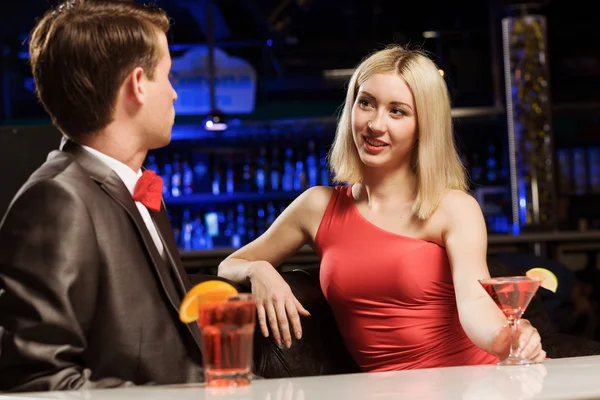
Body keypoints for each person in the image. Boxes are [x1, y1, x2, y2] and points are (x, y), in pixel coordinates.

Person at [218, 46, 546, 371]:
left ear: (423, 127)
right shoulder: (317, 206)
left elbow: (475, 300)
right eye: (367, 103)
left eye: (397, 111)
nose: (375, 124)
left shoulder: (453, 208)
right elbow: (231, 265)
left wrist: (504, 338)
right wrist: (257, 270)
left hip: (472, 382)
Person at [0, 0, 207, 391]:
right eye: (168, 75)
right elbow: (38, 380)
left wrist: (247, 272)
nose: (175, 94)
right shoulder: (57, 199)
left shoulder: (139, 189)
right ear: (138, 85)